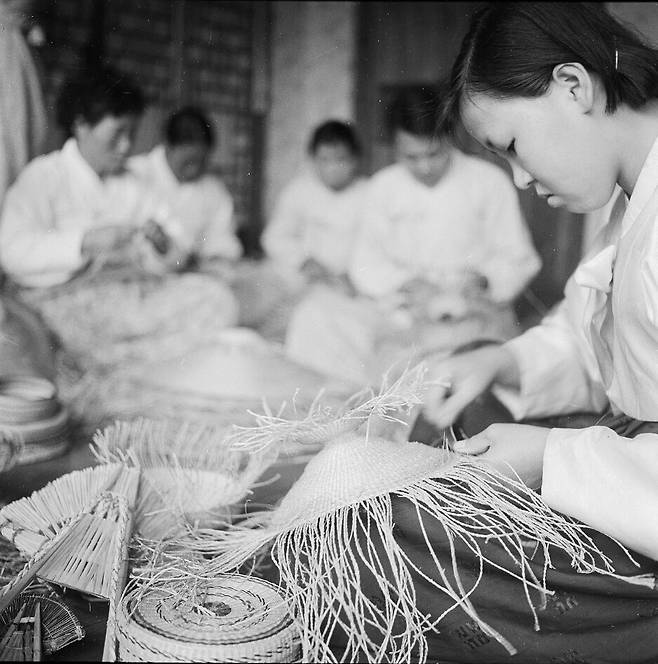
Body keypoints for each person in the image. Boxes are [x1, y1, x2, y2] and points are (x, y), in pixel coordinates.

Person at [347, 3, 658, 662]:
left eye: (514, 147)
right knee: (458, 394)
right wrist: (502, 360)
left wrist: (552, 457)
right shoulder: (634, 205)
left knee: (395, 533)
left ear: (575, 87)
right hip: (628, 457)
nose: (520, 178)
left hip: (643, 495)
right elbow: (596, 342)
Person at [0, 66, 238, 429]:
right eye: (117, 135)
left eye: (132, 134)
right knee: (54, 337)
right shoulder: (44, 177)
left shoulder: (132, 183)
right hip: (64, 304)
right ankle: (115, 372)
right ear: (81, 124)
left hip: (130, 299)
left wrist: (162, 243)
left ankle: (110, 370)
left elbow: (175, 253)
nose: (126, 147)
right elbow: (12, 249)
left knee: (217, 299)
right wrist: (84, 241)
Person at [285, 86, 541, 386]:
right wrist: (405, 283)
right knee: (314, 314)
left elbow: (518, 258)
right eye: (411, 156)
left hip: (468, 310)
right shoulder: (383, 187)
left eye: (434, 153)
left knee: (449, 350)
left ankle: (402, 388)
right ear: (394, 147)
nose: (425, 166)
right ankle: (358, 398)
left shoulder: (488, 181)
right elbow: (366, 262)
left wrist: (483, 280)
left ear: (450, 137)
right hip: (402, 309)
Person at [242, 120, 367, 343]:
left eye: (341, 160)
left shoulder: (369, 192)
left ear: (355, 159)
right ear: (312, 160)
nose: (332, 168)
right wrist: (303, 260)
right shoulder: (299, 190)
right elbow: (275, 237)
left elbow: (374, 243)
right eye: (324, 160)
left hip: (347, 282)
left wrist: (354, 274)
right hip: (303, 275)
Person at [127, 106, 243, 274]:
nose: (195, 169)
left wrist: (217, 257)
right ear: (168, 146)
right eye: (189, 161)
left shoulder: (213, 189)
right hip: (140, 275)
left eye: (202, 161)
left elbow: (222, 237)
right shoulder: (136, 175)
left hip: (195, 275)